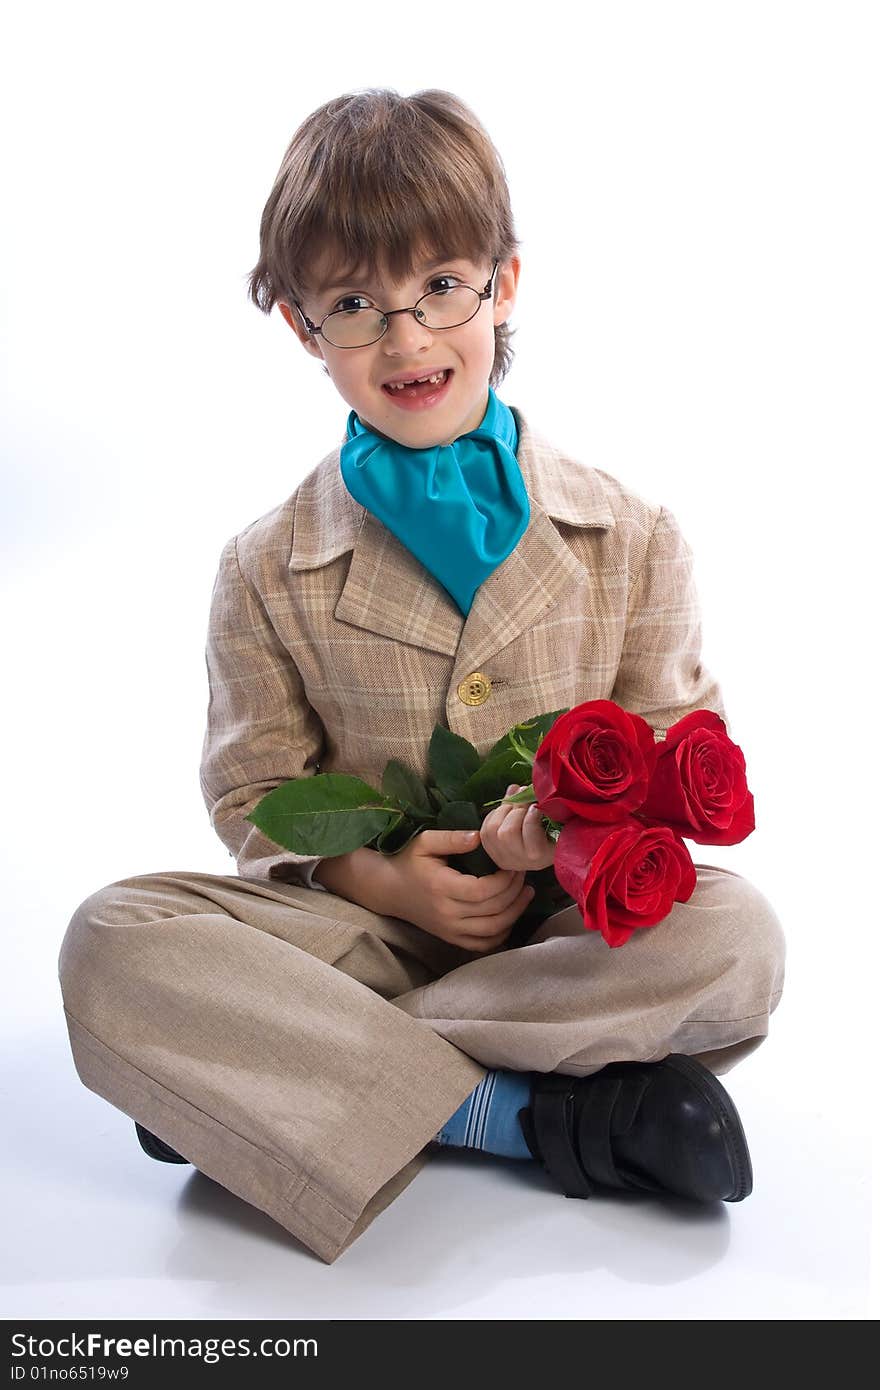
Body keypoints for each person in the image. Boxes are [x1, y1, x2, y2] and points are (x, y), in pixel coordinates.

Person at [57, 87, 785, 1264]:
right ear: (303, 328)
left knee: (740, 939)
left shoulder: (632, 533)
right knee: (112, 939)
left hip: (564, 943)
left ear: (503, 283)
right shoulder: (263, 566)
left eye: (440, 288)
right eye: (356, 306)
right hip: (364, 931)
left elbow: (674, 749)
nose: (406, 340)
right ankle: (516, 1116)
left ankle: (284, 1069)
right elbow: (252, 793)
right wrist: (382, 880)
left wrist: (551, 837)